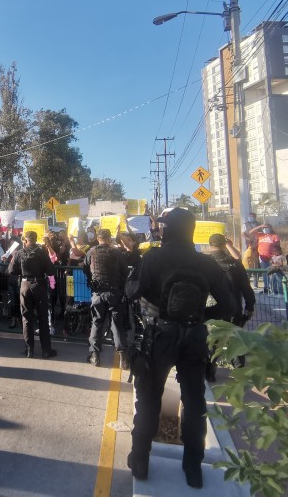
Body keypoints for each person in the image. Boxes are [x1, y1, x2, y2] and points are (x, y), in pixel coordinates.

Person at [126, 208, 234, 488]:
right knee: (195, 401)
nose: (160, 229)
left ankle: (140, 461)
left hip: (159, 335)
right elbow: (230, 306)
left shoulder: (153, 258)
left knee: (149, 397)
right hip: (195, 337)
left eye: (164, 226)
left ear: (171, 229)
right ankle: (193, 468)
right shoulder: (207, 264)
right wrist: (199, 317)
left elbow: (131, 291)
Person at [206, 233, 256, 375]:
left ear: (210, 245)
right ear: (224, 244)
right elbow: (246, 287)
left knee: (212, 340)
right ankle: (239, 369)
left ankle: (210, 370)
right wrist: (250, 306)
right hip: (234, 306)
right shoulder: (234, 263)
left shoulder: (204, 263)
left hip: (212, 308)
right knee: (236, 338)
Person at [83, 229, 130, 369]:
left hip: (97, 293)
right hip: (114, 293)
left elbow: (86, 270)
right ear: (109, 239)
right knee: (117, 325)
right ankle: (123, 358)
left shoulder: (91, 252)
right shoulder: (116, 252)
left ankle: (95, 356)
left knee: (96, 323)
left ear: (98, 238)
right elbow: (125, 272)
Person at [7, 231, 57, 359]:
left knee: (26, 319)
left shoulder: (20, 253)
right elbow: (51, 270)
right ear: (36, 239)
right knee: (43, 319)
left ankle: (29, 350)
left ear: (25, 240)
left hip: (25, 286)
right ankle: (46, 351)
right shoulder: (41, 253)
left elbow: (11, 270)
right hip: (39, 285)